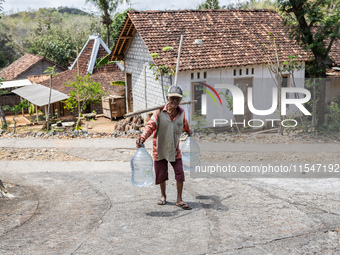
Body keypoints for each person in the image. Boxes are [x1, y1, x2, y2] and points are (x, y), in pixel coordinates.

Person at [136, 85, 192, 210]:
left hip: (174, 149)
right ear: (167, 98)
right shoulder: (159, 112)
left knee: (180, 174)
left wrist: (190, 133)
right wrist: (142, 138)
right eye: (172, 98)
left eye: (177, 99)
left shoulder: (181, 114)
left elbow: (186, 126)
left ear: (180, 100)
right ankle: (163, 196)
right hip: (159, 148)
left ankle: (179, 199)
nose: (174, 101)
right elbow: (149, 127)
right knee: (161, 174)